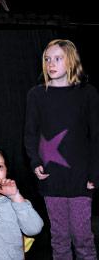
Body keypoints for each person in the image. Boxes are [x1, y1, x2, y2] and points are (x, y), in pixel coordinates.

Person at [25, 39, 99, 260]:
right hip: (51, 177)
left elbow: (95, 136)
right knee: (59, 238)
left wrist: (94, 173)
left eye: (57, 58)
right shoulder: (36, 95)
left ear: (71, 61)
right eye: (47, 59)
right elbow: (30, 134)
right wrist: (35, 162)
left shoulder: (88, 93)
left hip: (80, 177)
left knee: (82, 237)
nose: (51, 63)